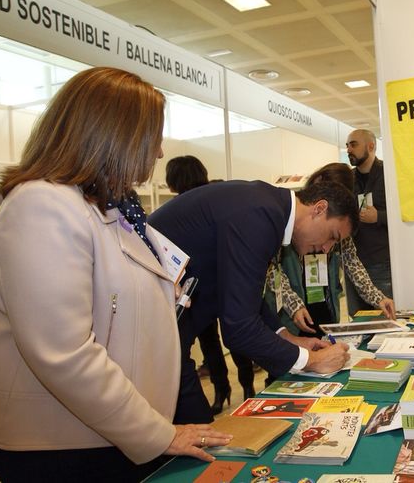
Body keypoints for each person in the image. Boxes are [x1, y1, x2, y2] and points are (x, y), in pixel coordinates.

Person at [0, 67, 231, 482]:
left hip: (110, 436)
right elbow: (64, 354)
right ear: (115, 133)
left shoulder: (111, 209)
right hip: (66, 449)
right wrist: (155, 433)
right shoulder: (42, 206)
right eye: (153, 136)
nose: (158, 153)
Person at [148, 179, 356, 424]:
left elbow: (245, 294)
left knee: (197, 434)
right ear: (319, 209)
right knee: (197, 437)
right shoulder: (260, 216)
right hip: (151, 329)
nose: (326, 249)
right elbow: (238, 329)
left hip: (167, 328)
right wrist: (311, 361)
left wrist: (286, 337)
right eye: (332, 236)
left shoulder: (268, 208)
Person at [165, 156, 256, 415]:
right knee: (232, 338)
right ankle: (245, 388)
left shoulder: (179, 209)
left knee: (211, 343)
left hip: (194, 289)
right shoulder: (213, 201)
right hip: (219, 284)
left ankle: (222, 389)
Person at [265, 163, 396, 338]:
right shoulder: (289, 221)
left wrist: (378, 297)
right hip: (292, 315)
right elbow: (273, 272)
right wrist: (294, 304)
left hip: (325, 304)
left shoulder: (340, 224)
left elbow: (353, 265)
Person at [345, 129, 393, 316]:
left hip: (381, 263)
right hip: (354, 264)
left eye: (354, 144)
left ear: (371, 146)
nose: (349, 149)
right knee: (357, 321)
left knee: (384, 317)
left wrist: (378, 217)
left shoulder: (388, 175)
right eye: (347, 145)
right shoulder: (347, 180)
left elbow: (402, 217)